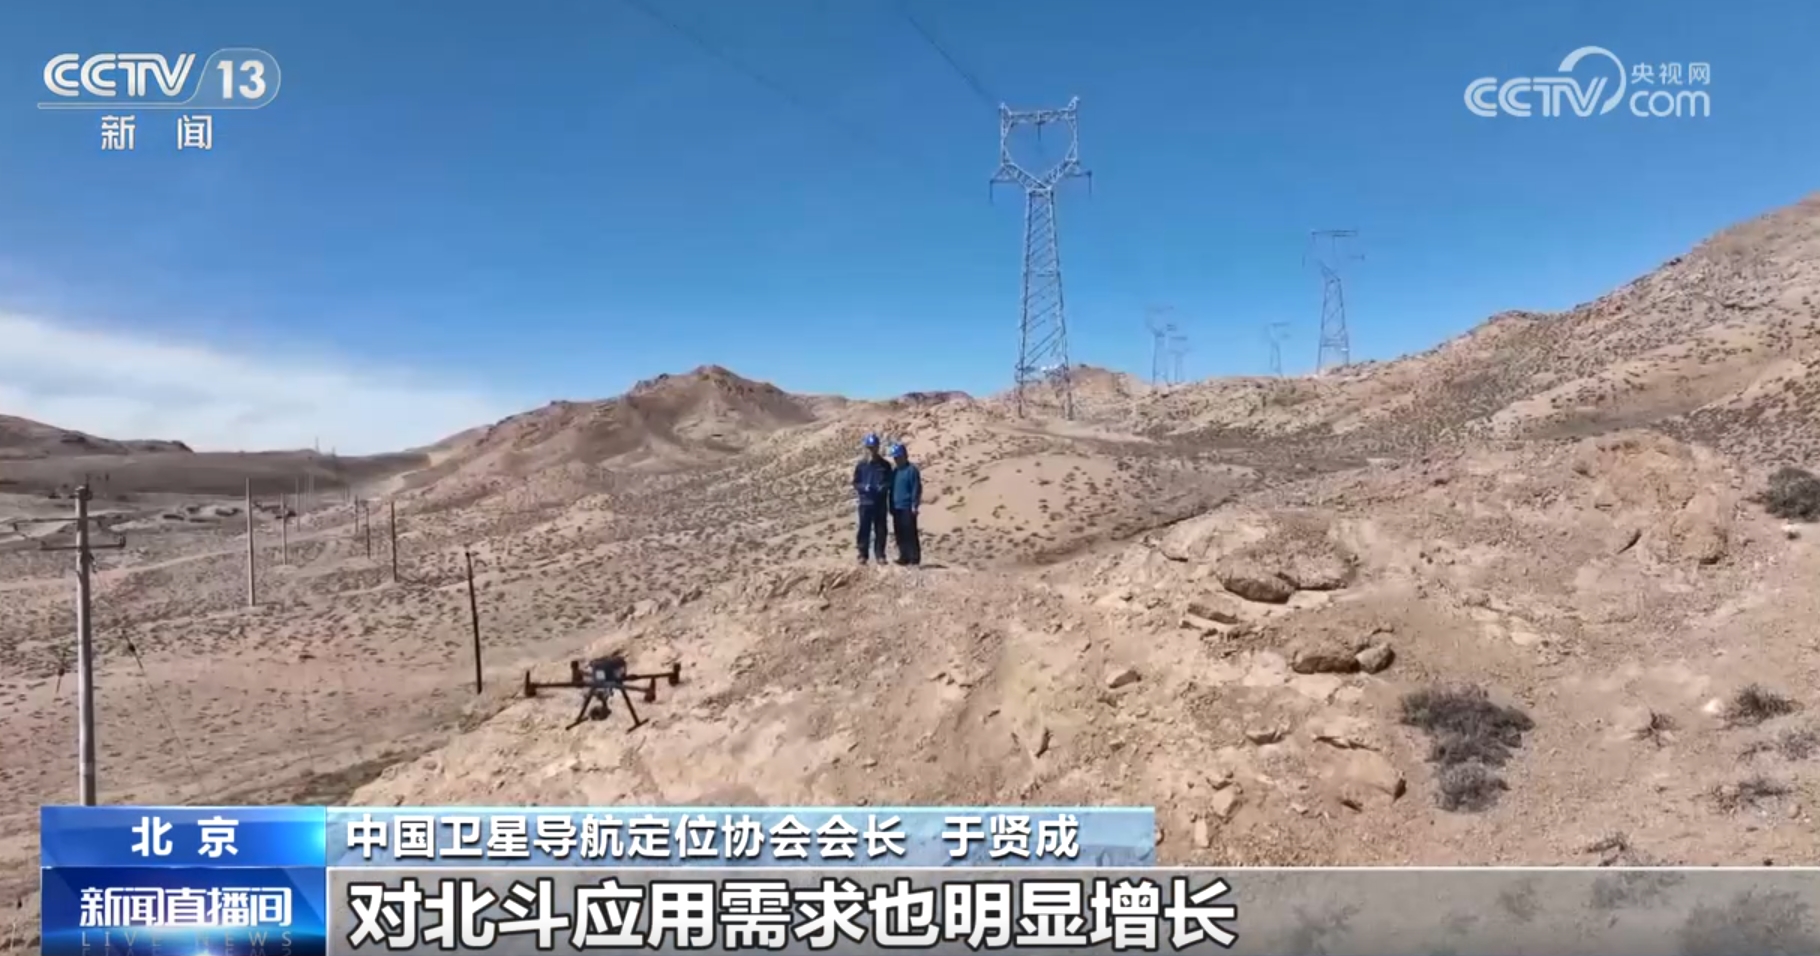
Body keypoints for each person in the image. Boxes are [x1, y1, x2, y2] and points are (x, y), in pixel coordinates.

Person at [851, 433, 893, 564]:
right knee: (864, 528)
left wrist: (883, 487)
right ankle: (862, 554)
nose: (872, 450)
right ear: (866, 448)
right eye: (869, 447)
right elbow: (856, 483)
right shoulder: (861, 465)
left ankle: (880, 555)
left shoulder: (885, 465)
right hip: (865, 502)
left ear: (878, 447)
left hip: (880, 502)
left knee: (880, 529)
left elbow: (890, 481)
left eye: (874, 447)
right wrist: (864, 487)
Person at [888, 442, 922, 566]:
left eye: (898, 457)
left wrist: (914, 504)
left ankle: (914, 557)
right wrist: (891, 505)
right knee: (899, 532)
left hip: (907, 507)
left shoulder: (911, 470)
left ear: (904, 456)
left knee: (910, 532)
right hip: (896, 507)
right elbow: (891, 490)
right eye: (895, 458)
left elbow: (916, 488)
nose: (897, 460)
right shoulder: (895, 472)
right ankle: (904, 556)